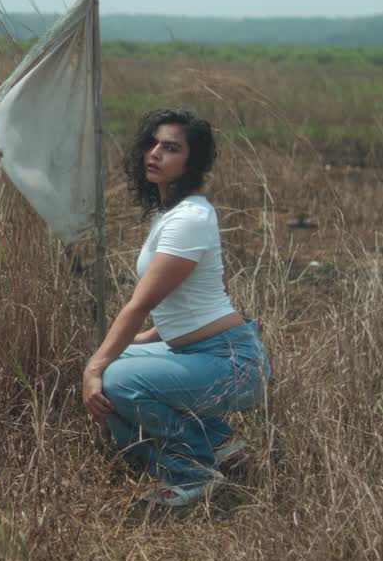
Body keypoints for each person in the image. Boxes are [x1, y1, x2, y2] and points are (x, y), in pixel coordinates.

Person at [82, 109, 271, 507]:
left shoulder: (190, 220)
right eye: (151, 144)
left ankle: (191, 472)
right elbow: (194, 303)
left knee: (116, 379)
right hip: (202, 351)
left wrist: (96, 367)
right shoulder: (171, 215)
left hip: (231, 361)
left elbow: (141, 304)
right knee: (119, 358)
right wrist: (140, 342)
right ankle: (220, 441)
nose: (154, 153)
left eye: (170, 148)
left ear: (192, 161)